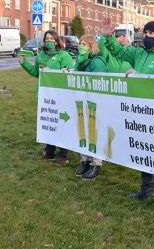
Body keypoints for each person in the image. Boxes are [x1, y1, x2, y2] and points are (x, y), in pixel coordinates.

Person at [102, 19, 154, 211]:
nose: (146, 37)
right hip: (141, 111)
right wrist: (108, 36)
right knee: (144, 151)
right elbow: (118, 51)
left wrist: (139, 77)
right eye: (145, 33)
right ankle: (147, 189)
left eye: (150, 34)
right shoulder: (140, 52)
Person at [20, 30, 74, 164]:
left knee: (61, 123)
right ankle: (49, 150)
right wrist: (24, 63)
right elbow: (36, 73)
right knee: (48, 123)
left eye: (52, 39)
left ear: (57, 41)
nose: (49, 41)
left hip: (60, 96)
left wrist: (51, 72)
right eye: (47, 38)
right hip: (44, 96)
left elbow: (68, 74)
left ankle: (63, 153)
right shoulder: (41, 56)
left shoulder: (64, 55)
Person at [72, 35, 108, 180]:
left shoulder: (97, 62)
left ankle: (96, 164)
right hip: (81, 101)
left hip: (94, 102)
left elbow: (99, 81)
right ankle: (84, 160)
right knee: (82, 130)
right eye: (80, 44)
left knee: (94, 132)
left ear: (91, 46)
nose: (81, 46)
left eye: (84, 44)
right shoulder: (79, 61)